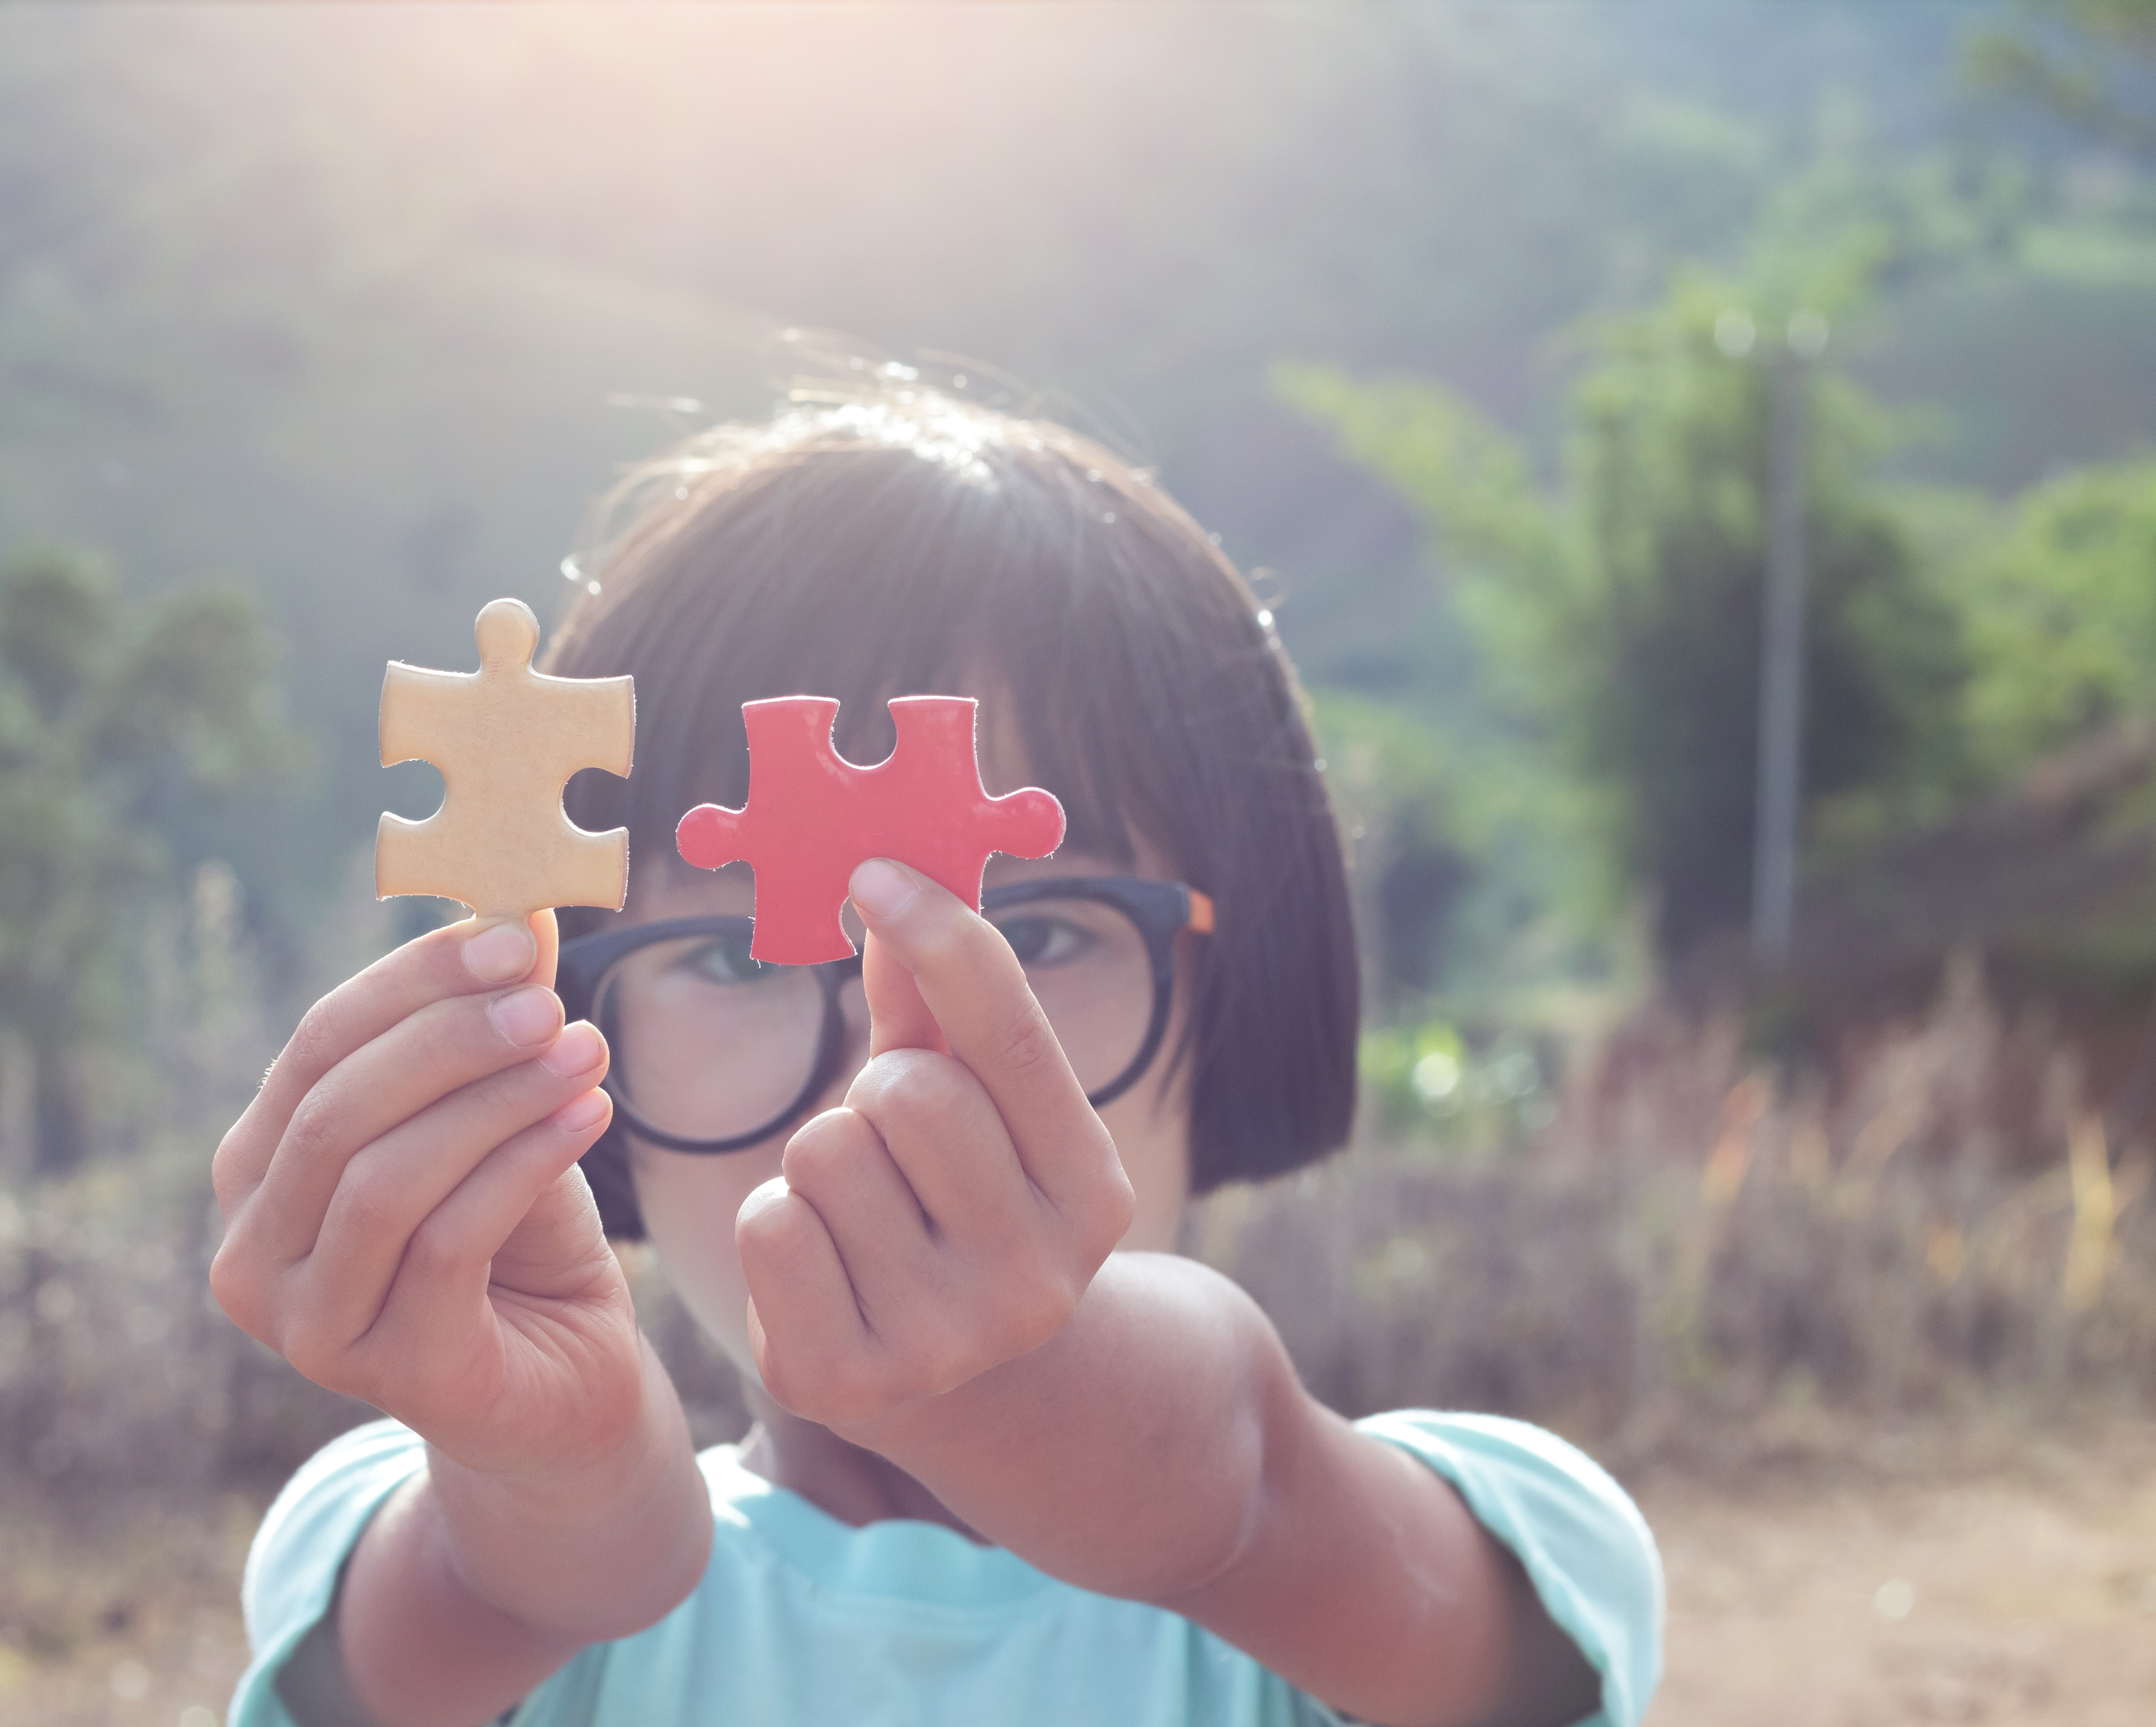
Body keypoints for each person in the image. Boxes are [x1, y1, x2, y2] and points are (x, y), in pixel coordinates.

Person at [208, 361, 1663, 1727]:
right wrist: (556, 1470)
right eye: (732, 953)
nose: (876, 1076)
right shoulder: (424, 1539)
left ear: (1239, 996)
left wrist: (1024, 1388)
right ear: (585, 1037)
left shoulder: (1503, 1537)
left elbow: (1241, 1486)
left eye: (1027, 939)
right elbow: (526, 1575)